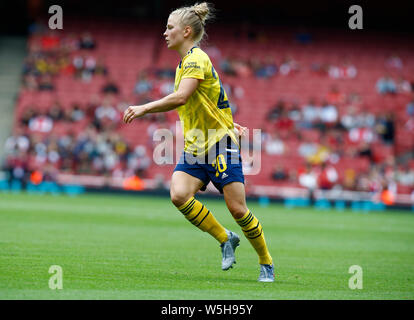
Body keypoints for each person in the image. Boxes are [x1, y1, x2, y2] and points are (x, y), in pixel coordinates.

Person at [123, 2, 274, 282]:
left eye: (170, 27)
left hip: (219, 144)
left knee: (237, 208)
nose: (165, 33)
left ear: (186, 31)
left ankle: (266, 261)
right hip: (197, 145)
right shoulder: (184, 64)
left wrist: (143, 108)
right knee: (179, 194)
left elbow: (181, 98)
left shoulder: (195, 59)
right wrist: (228, 121)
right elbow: (208, 101)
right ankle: (225, 238)